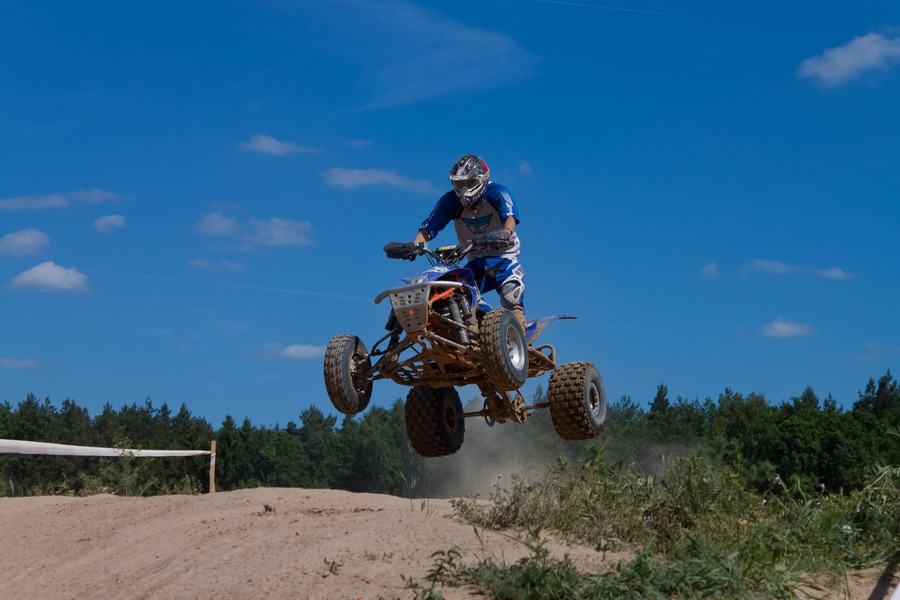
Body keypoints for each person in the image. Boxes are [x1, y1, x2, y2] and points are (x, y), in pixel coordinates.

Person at [412, 154, 527, 332]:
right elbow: (430, 227)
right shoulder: (451, 201)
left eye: (469, 183)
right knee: (458, 291)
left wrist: (505, 233)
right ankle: (472, 329)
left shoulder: (497, 192)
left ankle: (520, 334)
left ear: (481, 179)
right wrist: (413, 246)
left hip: (503, 256)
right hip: (475, 260)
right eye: (460, 184)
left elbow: (510, 216)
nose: (464, 189)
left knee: (511, 294)